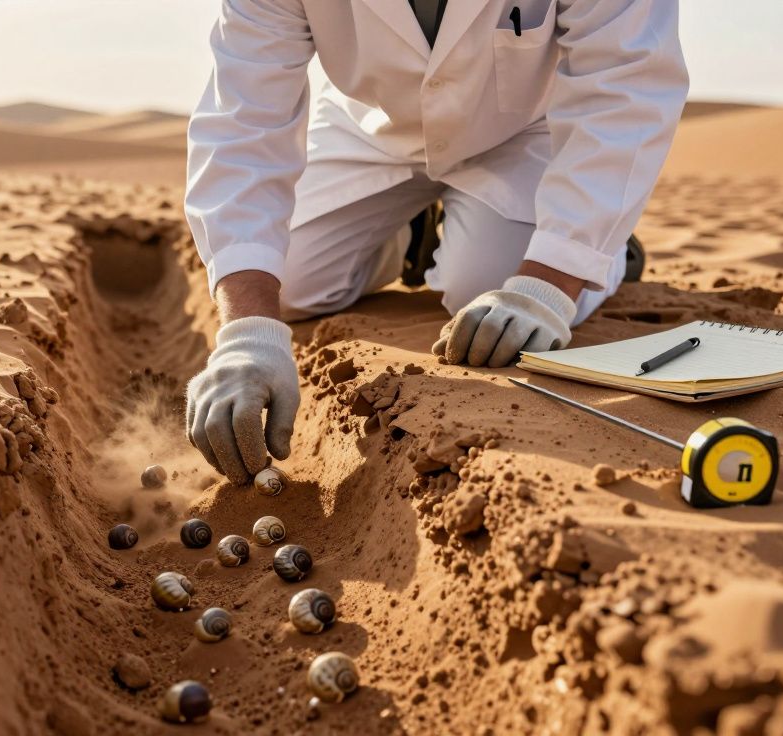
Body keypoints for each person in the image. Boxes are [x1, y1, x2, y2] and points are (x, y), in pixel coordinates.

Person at [184, 0, 688, 483]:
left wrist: (550, 284)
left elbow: (627, 84)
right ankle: (411, 239)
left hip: (522, 133)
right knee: (282, 281)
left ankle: (608, 246)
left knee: (490, 300)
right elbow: (243, 121)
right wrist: (247, 336)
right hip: (371, 128)